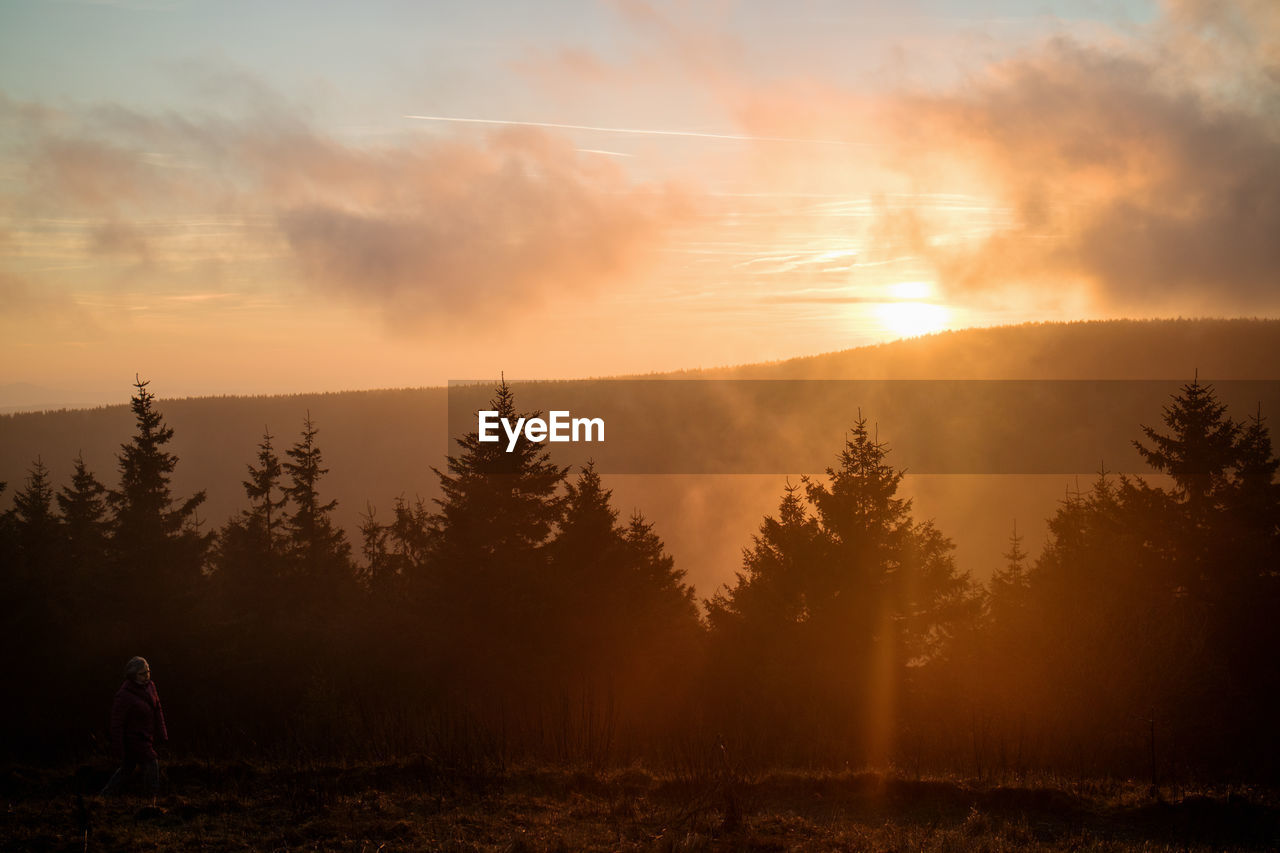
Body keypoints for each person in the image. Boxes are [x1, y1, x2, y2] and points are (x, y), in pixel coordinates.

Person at [100, 656, 167, 798]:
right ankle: (151, 800)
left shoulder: (151, 687)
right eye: (142, 674)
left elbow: (157, 710)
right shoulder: (124, 695)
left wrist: (162, 733)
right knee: (151, 762)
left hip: (146, 737)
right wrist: (118, 747)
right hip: (134, 740)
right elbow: (116, 724)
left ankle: (105, 796)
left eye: (148, 672)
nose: (146, 676)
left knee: (127, 768)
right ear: (132, 675)